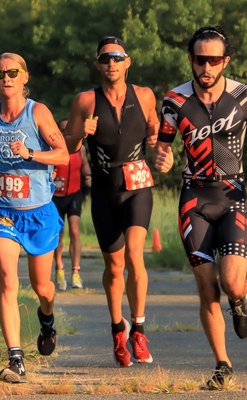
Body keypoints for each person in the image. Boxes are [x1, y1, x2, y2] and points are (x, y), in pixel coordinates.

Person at [153, 26, 247, 389]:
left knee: (232, 283)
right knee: (208, 289)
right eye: (200, 59)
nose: (207, 67)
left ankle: (240, 301)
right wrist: (161, 158)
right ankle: (223, 364)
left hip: (233, 193)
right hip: (194, 199)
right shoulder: (174, 100)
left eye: (214, 60)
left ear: (226, 61)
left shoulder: (245, 96)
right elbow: (164, 146)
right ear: (191, 59)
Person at [0, 52, 69, 384]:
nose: (6, 78)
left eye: (13, 72)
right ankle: (16, 360)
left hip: (38, 213)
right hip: (2, 211)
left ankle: (47, 318)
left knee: (42, 286)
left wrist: (31, 154)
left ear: (25, 77)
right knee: (8, 282)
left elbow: (63, 154)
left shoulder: (37, 112)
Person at [63, 36, 159, 367]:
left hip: (138, 187)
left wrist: (156, 134)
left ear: (128, 62)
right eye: (105, 59)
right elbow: (68, 146)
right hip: (105, 193)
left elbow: (154, 125)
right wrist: (81, 133)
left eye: (117, 57)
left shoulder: (145, 95)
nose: (111, 63)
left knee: (135, 255)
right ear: (98, 65)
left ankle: (140, 331)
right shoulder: (85, 100)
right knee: (114, 268)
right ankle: (119, 330)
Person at [53, 118, 92, 290]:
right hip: (56, 196)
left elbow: (84, 166)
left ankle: (76, 272)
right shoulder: (53, 150)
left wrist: (88, 176)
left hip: (74, 194)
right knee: (59, 234)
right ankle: (59, 267)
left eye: (69, 129)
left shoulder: (80, 149)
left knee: (75, 231)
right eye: (63, 130)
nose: (66, 133)